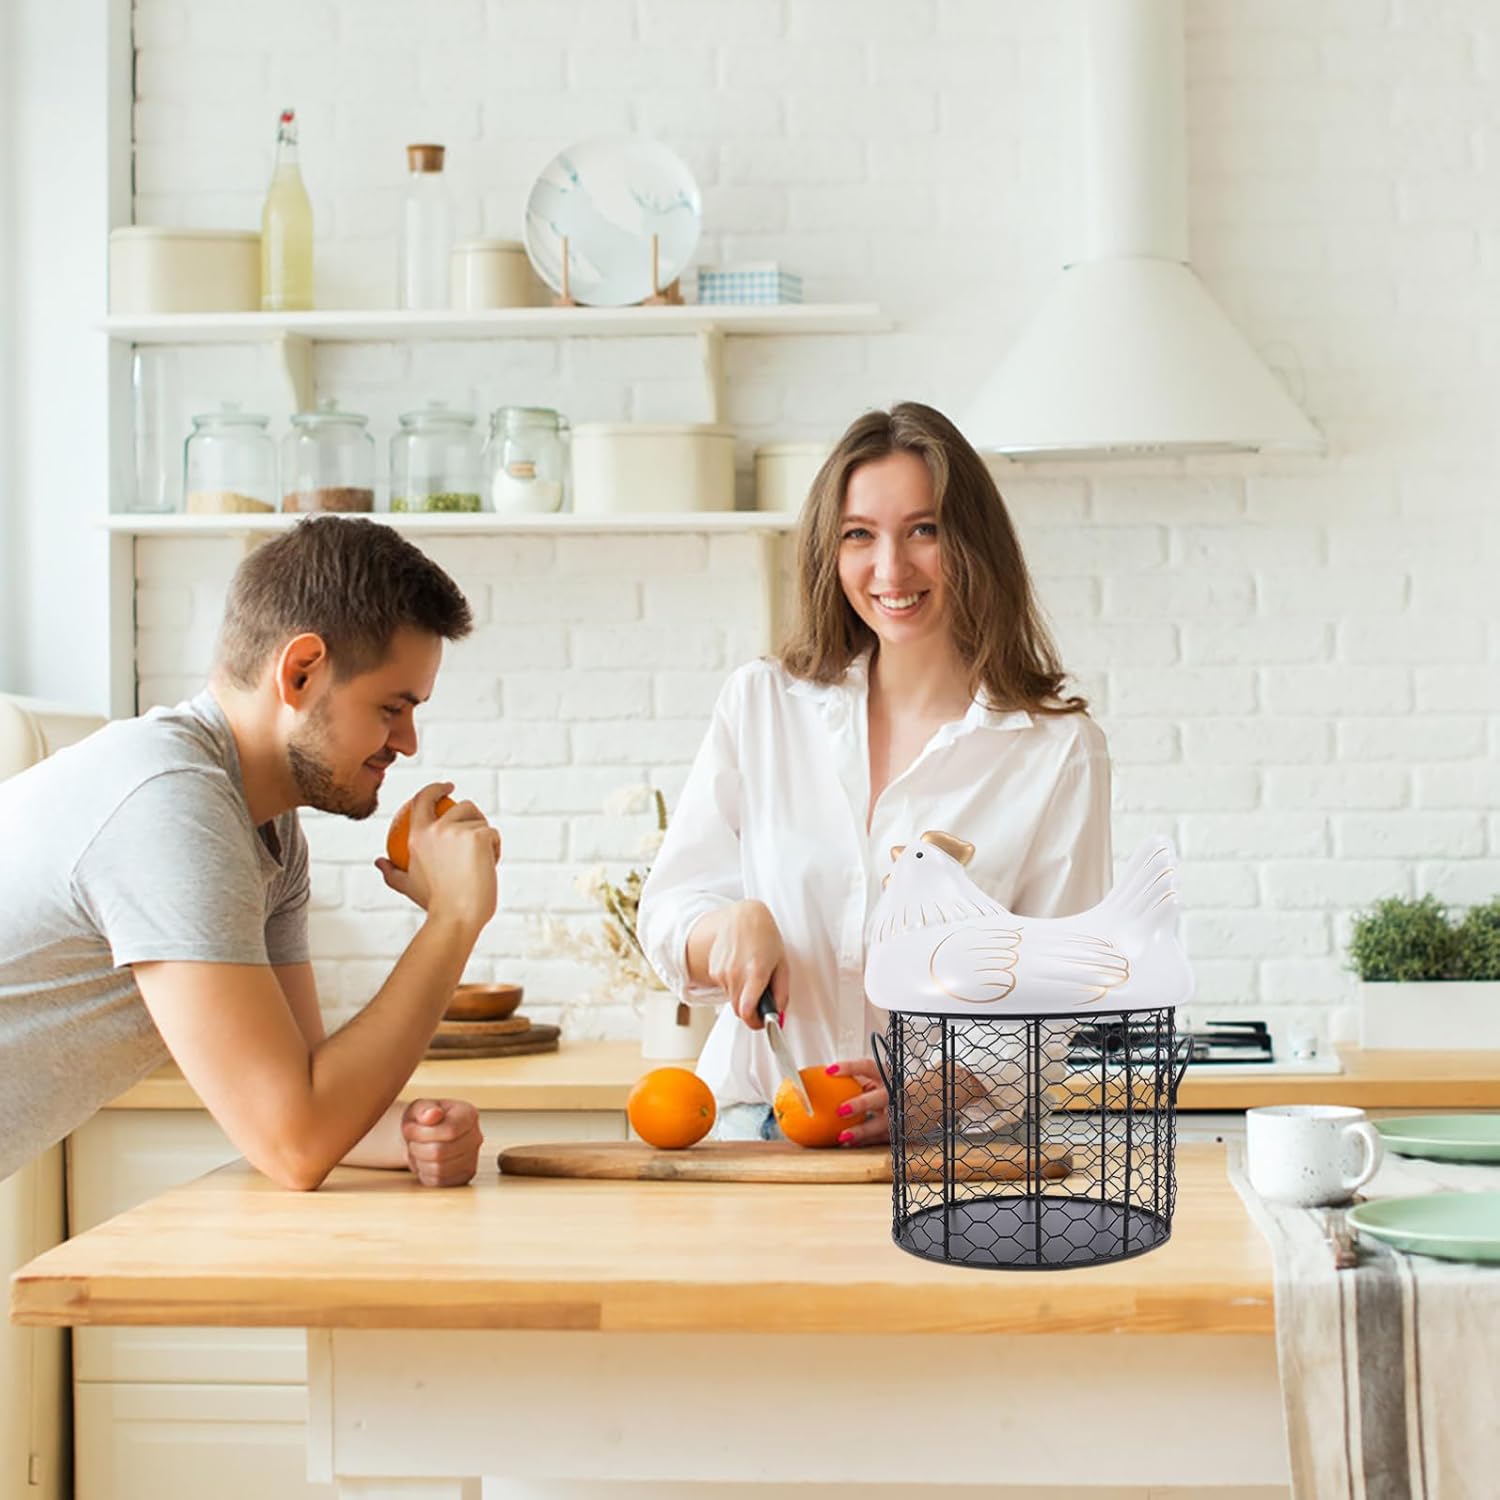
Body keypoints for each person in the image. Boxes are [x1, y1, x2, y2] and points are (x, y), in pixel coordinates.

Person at [637, 402, 1111, 1144]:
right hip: (754, 1131)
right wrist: (726, 926)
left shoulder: (1055, 750)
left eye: (924, 530)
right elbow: (669, 910)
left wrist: (940, 1090)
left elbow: (1059, 987)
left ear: (974, 543)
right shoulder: (763, 704)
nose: (891, 570)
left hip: (947, 1153)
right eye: (859, 534)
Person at [0, 518, 501, 1189]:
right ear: (300, 672)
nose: (409, 742)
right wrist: (454, 918)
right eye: (392, 708)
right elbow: (295, 1142)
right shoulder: (168, 802)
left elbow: (302, 1089)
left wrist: (410, 1135)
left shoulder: (266, 829)